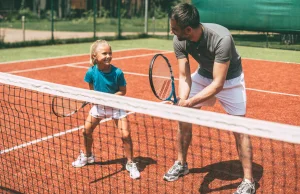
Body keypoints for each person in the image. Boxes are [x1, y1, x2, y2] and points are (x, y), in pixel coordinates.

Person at [163, 3, 255, 194]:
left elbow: (218, 84)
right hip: (203, 75)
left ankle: (248, 180)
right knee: (184, 118)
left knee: (239, 128)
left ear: (188, 29)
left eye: (175, 29)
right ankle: (181, 163)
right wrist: (183, 99)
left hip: (230, 80)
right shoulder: (179, 39)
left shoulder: (222, 38)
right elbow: (184, 76)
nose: (172, 32)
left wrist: (189, 102)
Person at [72, 40, 140, 179]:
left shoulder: (117, 73)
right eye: (104, 53)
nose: (108, 56)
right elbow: (92, 90)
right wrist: (95, 98)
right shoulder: (90, 72)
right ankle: (87, 155)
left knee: (125, 135)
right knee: (86, 131)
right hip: (99, 107)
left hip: (116, 107)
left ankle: (130, 162)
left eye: (110, 53)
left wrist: (110, 98)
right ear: (95, 56)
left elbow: (123, 91)